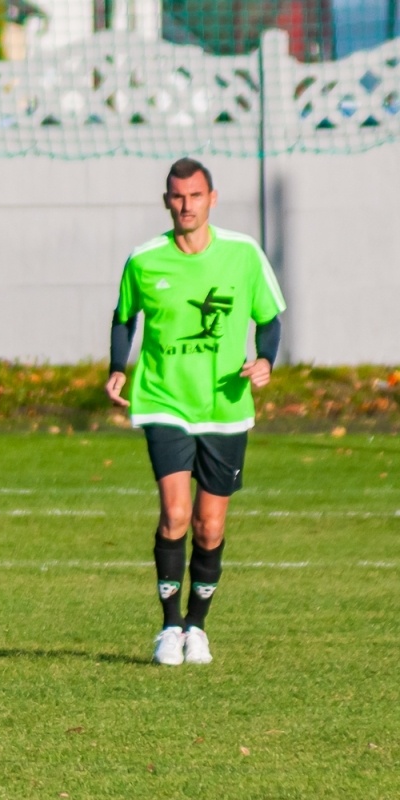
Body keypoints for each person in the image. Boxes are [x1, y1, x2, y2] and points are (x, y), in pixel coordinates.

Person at [106, 157, 286, 666]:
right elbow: (124, 318)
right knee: (176, 514)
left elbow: (269, 319)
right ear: (167, 201)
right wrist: (118, 367)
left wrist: (265, 360)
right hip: (163, 400)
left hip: (225, 406)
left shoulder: (243, 254)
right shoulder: (144, 260)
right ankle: (168, 627)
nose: (186, 205)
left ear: (212, 199)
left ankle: (196, 627)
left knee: (209, 526)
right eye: (178, 196)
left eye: (196, 196)